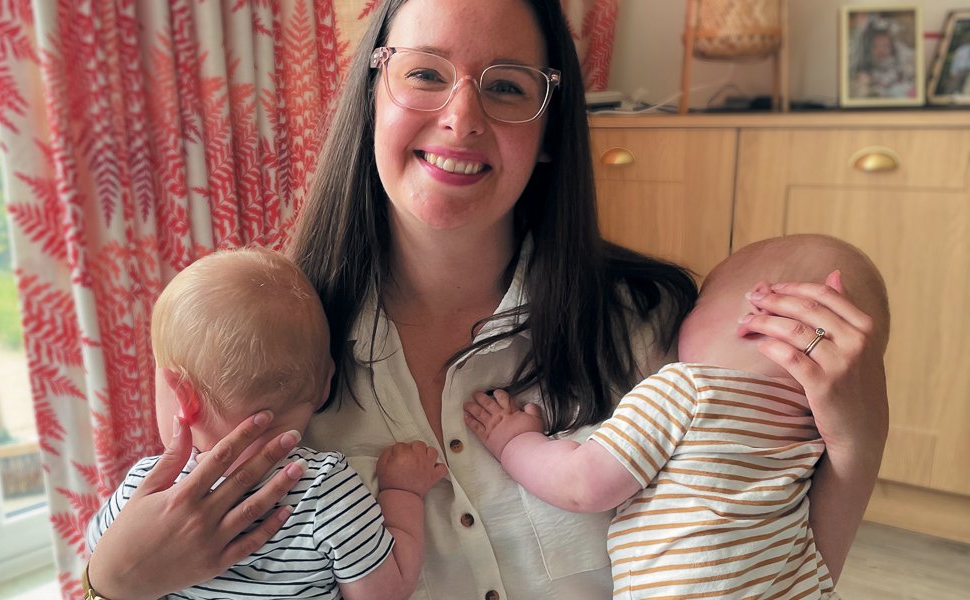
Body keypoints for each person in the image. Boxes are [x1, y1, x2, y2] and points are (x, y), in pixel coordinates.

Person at [83, 1, 890, 599]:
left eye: (505, 86)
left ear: (549, 131)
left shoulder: (654, 329)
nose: (461, 117)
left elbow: (760, 567)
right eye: (425, 73)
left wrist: (857, 441)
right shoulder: (272, 346)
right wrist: (111, 584)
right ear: (372, 93)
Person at [464, 234, 890, 599]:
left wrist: (514, 441)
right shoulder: (810, 433)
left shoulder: (689, 389)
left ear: (755, 316)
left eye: (701, 302)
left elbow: (583, 483)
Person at [84, 248, 447, 599]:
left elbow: (101, 558)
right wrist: (402, 493)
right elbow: (384, 593)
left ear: (181, 397)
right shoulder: (326, 489)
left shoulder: (146, 489)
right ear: (326, 383)